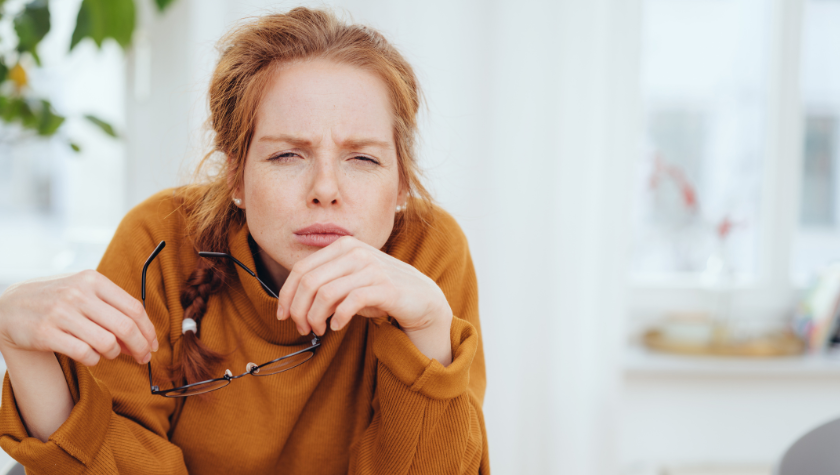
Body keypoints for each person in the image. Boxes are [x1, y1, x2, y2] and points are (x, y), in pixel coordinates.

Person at [0, 7, 489, 475]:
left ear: (402, 184)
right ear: (235, 175)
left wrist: (428, 327)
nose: (324, 190)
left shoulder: (429, 254)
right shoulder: (159, 242)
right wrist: (19, 347)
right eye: (286, 156)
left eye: (362, 159)